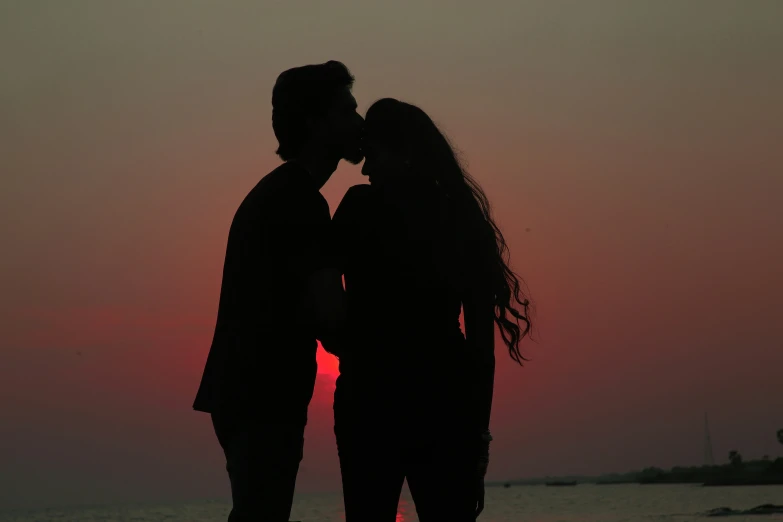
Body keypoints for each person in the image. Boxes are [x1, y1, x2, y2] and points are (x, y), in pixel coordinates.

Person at [326, 98, 533, 521]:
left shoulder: (359, 208)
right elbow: (481, 350)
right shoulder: (461, 218)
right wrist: (479, 439)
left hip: (371, 399)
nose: (365, 170)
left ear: (403, 153)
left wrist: (352, 345)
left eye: (373, 157)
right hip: (444, 402)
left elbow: (322, 294)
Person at [192, 61, 363, 522]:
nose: (359, 123)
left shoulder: (278, 194)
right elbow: (331, 319)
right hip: (261, 395)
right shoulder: (301, 202)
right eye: (347, 112)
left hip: (246, 391)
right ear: (315, 121)